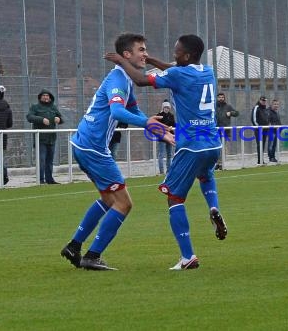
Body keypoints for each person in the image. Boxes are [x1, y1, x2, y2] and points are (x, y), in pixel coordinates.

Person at [105, 34, 227, 271]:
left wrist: (122, 61)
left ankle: (187, 256)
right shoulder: (207, 71)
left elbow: (140, 80)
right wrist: (152, 60)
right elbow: (174, 68)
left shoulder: (177, 74)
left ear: (187, 55)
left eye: (177, 51)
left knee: (174, 197)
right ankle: (213, 206)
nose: (174, 54)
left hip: (190, 144)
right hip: (212, 141)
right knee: (205, 175)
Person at [60, 33, 173, 271]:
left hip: (84, 142)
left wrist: (156, 127)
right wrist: (149, 125)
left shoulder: (124, 79)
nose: (145, 54)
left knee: (108, 199)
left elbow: (134, 110)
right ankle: (92, 256)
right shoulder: (118, 79)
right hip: (93, 148)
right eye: (141, 50)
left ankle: (74, 246)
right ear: (126, 55)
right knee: (124, 204)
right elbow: (118, 113)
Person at [26, 89, 63, 184]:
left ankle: (50, 179)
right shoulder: (35, 107)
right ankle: (40, 180)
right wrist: (41, 119)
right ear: (40, 97)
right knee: (41, 160)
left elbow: (61, 118)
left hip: (51, 139)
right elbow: (29, 117)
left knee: (50, 161)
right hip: (41, 139)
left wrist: (59, 119)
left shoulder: (53, 107)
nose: (46, 97)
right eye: (44, 95)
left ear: (50, 97)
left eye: (47, 96)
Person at [215, 92, 239, 170]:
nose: (221, 98)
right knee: (216, 148)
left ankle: (221, 163)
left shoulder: (228, 106)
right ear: (217, 98)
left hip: (225, 130)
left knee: (222, 147)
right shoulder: (214, 107)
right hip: (215, 130)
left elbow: (237, 113)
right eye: (219, 97)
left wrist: (231, 113)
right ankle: (217, 163)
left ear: (224, 98)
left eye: (222, 97)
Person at [0, 85, 12, 187]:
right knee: (0, 157)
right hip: (2, 136)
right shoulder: (7, 108)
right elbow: (10, 124)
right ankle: (4, 175)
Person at [156, 100, 176, 174]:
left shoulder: (171, 115)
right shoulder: (159, 115)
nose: (166, 109)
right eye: (165, 107)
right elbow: (158, 125)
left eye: (168, 107)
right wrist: (167, 127)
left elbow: (173, 124)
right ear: (163, 107)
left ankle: (169, 170)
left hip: (170, 137)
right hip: (162, 137)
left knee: (169, 154)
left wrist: (170, 127)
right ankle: (161, 171)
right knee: (161, 154)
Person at [251, 96, 269, 165]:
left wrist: (267, 125)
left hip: (265, 129)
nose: (264, 102)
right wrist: (258, 127)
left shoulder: (265, 109)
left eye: (265, 101)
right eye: (263, 100)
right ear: (260, 100)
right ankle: (259, 160)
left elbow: (266, 118)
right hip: (259, 130)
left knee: (263, 144)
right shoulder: (256, 108)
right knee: (259, 144)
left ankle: (261, 160)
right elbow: (253, 119)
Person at [267, 99, 281, 163]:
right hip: (271, 131)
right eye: (275, 104)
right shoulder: (268, 111)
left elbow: (278, 122)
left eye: (277, 104)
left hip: (276, 131)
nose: (276, 105)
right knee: (271, 144)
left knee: (274, 145)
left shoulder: (276, 112)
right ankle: (271, 157)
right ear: (271, 104)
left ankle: (273, 157)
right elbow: (268, 122)